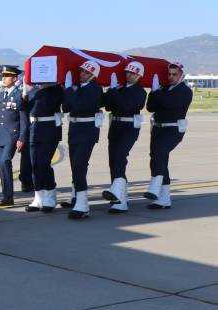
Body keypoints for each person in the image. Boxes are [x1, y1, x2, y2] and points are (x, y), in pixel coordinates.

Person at [143, 61, 192, 209]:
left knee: (160, 152)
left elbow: (170, 104)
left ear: (181, 75)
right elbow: (150, 107)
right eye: (169, 74)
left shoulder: (185, 91)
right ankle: (164, 199)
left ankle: (154, 187)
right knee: (157, 158)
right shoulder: (162, 89)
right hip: (158, 128)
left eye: (174, 74)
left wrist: (158, 93)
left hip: (173, 130)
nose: (170, 77)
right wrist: (153, 91)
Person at [102, 61, 147, 213]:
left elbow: (125, 106)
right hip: (115, 127)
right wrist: (111, 92)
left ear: (139, 75)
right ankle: (120, 197)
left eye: (133, 73)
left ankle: (119, 198)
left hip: (129, 128)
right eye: (127, 72)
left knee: (120, 158)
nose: (129, 75)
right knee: (113, 161)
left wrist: (114, 92)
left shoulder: (140, 91)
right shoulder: (119, 88)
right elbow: (108, 106)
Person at [62, 60, 104, 220]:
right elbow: (66, 108)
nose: (82, 74)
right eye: (81, 71)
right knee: (76, 166)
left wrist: (69, 90)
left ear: (93, 75)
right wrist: (68, 91)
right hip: (75, 130)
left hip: (87, 131)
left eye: (86, 72)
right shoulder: (77, 88)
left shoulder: (95, 89)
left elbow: (80, 105)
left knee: (79, 165)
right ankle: (76, 196)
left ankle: (83, 204)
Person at [24, 75, 65, 213]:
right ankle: (38, 197)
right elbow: (23, 108)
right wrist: (24, 94)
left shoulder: (57, 90)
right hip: (34, 128)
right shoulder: (33, 90)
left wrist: (44, 88)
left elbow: (50, 105)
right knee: (34, 164)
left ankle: (50, 195)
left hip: (49, 129)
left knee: (43, 163)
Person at [0, 66, 27, 206]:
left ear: (14, 78)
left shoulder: (19, 96)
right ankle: (6, 196)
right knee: (1, 166)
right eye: (3, 76)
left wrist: (21, 138)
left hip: (13, 135)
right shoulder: (1, 95)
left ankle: (8, 196)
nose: (4, 78)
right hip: (1, 135)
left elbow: (23, 120)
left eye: (7, 76)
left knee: (4, 161)